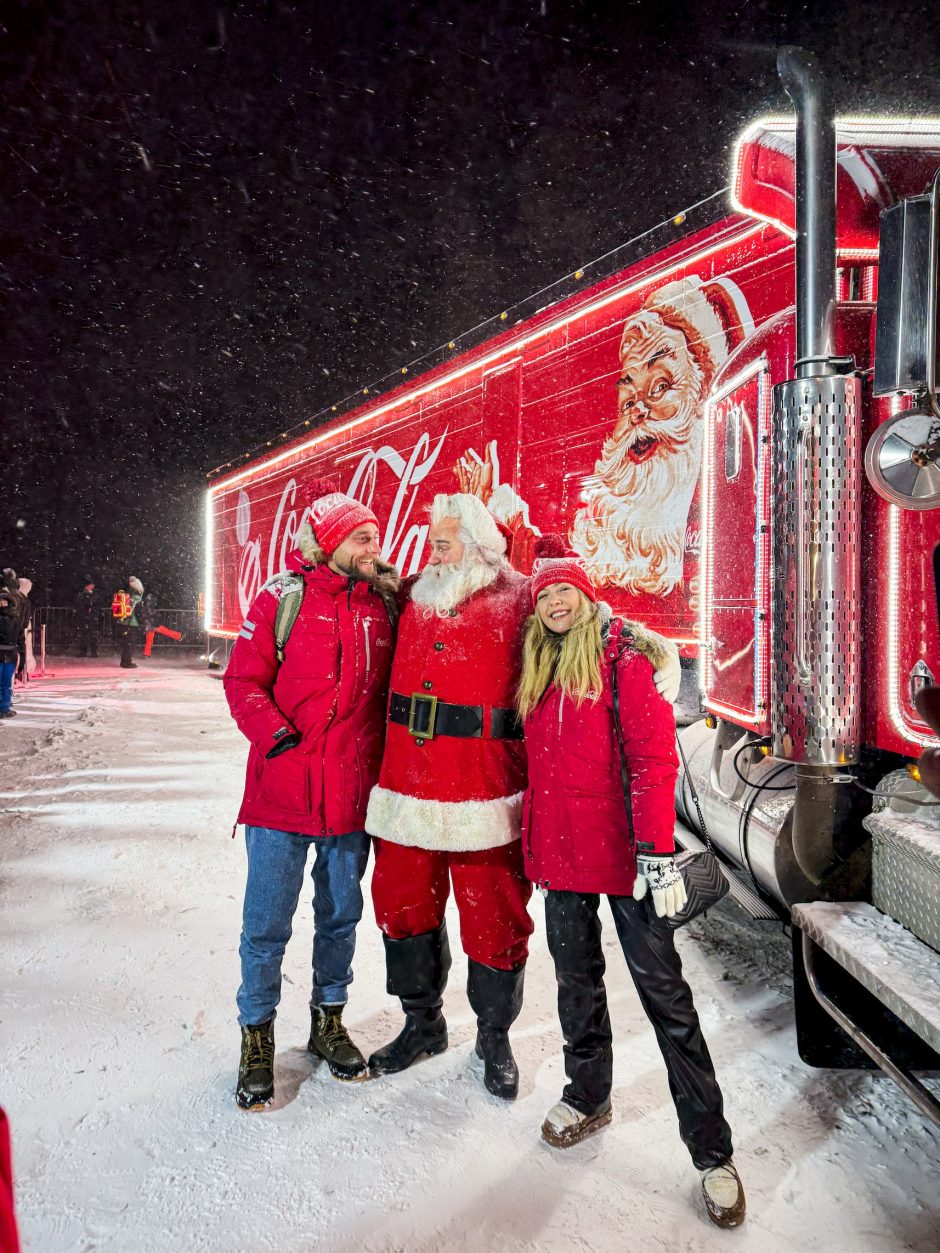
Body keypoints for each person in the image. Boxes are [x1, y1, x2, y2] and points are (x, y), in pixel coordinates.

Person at [365, 494, 681, 1102]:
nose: (433, 551)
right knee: (403, 911)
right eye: (433, 541)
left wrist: (654, 645)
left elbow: (582, 611)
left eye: (445, 541)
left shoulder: (519, 600)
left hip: (485, 791)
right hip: (405, 788)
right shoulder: (409, 595)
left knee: (495, 921)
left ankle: (493, 1036)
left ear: (481, 546)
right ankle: (421, 1023)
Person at [516, 540, 745, 1229]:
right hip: (561, 856)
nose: (555, 602)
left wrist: (653, 851)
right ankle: (588, 1095)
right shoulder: (537, 663)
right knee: (575, 983)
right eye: (545, 594)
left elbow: (651, 762)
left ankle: (713, 1152)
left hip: (625, 860)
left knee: (665, 998)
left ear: (585, 594)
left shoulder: (622, 659)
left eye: (565, 591)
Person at [224, 479, 399, 1110]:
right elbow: (243, 681)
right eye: (360, 537)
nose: (372, 545)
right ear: (329, 543)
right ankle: (257, 1040)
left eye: (374, 535)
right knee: (266, 927)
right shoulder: (283, 598)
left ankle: (328, 1021)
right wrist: (276, 741)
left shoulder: (383, 607)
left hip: (350, 800)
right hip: (281, 798)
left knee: (340, 919)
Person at [0, 587, 23, 719]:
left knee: (5, 682)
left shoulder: (15, 619)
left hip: (8, 653)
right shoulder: (15, 619)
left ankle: (4, 707)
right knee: (6, 682)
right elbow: (20, 639)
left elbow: (20, 638)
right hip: (9, 653)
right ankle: (4, 707)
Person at [114, 575, 145, 668]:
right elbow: (139, 614)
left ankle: (124, 661)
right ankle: (126, 662)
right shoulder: (137, 599)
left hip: (123, 622)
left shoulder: (127, 595)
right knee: (130, 644)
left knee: (126, 644)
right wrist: (142, 624)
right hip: (132, 624)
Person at [76, 578, 100, 658]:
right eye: (91, 584)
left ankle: (93, 652)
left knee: (92, 634)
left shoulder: (93, 594)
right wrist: (88, 608)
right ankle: (85, 651)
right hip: (86, 617)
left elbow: (96, 604)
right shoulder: (83, 594)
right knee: (85, 635)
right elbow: (81, 605)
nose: (93, 586)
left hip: (91, 617)